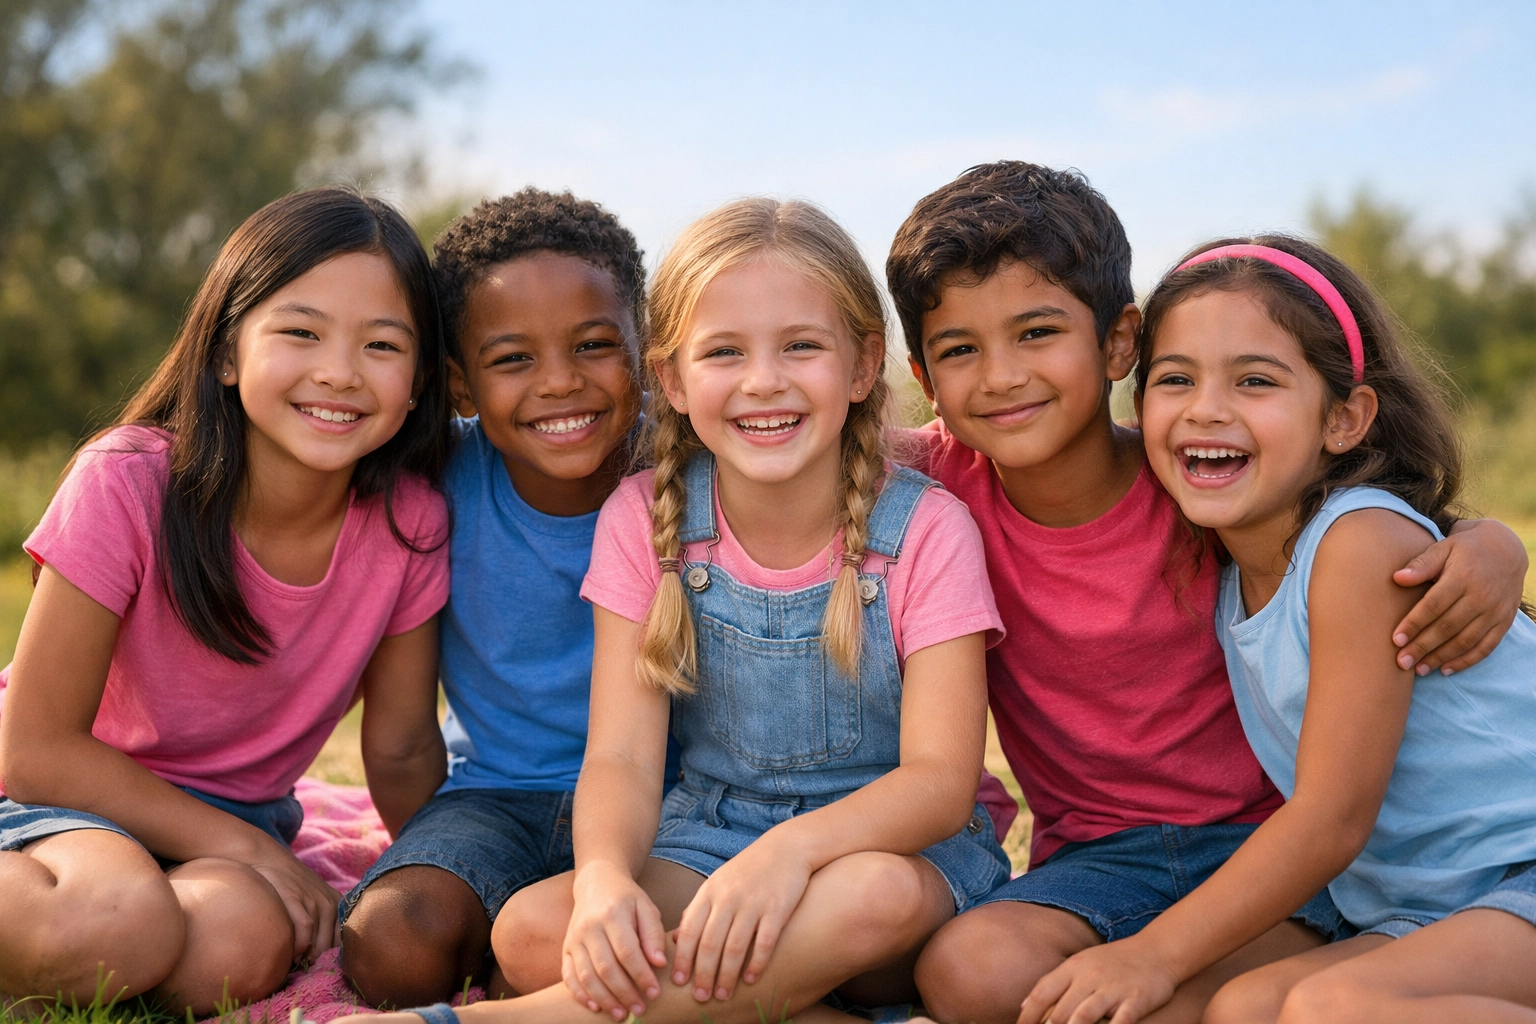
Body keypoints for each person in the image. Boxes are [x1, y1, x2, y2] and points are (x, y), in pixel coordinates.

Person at [880, 162, 1532, 1024]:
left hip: (1318, 854)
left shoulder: (1236, 505)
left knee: (1309, 1008)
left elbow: (1332, 807)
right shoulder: (955, 486)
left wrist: (1491, 546)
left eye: (1037, 332)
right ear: (924, 377)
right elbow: (799, 428)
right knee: (997, 976)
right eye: (961, 350)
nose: (1001, 377)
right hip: (1182, 868)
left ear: (1117, 345)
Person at [341, 196, 1013, 1024]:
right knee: (529, 930)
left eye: (801, 346)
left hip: (883, 857)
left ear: (863, 364)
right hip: (711, 837)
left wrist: (789, 857)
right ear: (673, 379)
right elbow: (621, 758)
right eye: (724, 351)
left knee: (871, 896)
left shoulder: (926, 528)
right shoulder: (645, 516)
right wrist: (602, 884)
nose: (764, 380)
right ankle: (787, 1006)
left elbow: (941, 785)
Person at [0, 187, 451, 1013]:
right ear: (225, 351)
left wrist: (449, 880)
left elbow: (399, 750)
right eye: (301, 331)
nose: (339, 372)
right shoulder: (128, 481)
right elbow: (32, 749)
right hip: (52, 796)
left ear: (421, 380)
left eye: (383, 345)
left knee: (240, 942)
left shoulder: (408, 523)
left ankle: (49, 960)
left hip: (220, 828)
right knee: (116, 918)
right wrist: (244, 843)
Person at [1082, 235, 1536, 1024]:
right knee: (1239, 1010)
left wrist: (1149, 952)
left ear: (1345, 418)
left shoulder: (1357, 544)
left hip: (1520, 870)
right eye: (1175, 379)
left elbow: (1331, 818)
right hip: (1431, 909)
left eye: (1255, 380)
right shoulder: (1229, 574)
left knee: (1333, 1009)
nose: (1207, 408)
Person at [340, 188, 653, 1007]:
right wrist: (433, 857)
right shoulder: (434, 490)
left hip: (673, 798)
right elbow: (402, 742)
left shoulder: (695, 469)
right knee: (392, 945)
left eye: (593, 345)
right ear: (462, 383)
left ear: (645, 348)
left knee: (598, 948)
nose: (560, 384)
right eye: (513, 358)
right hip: (498, 795)